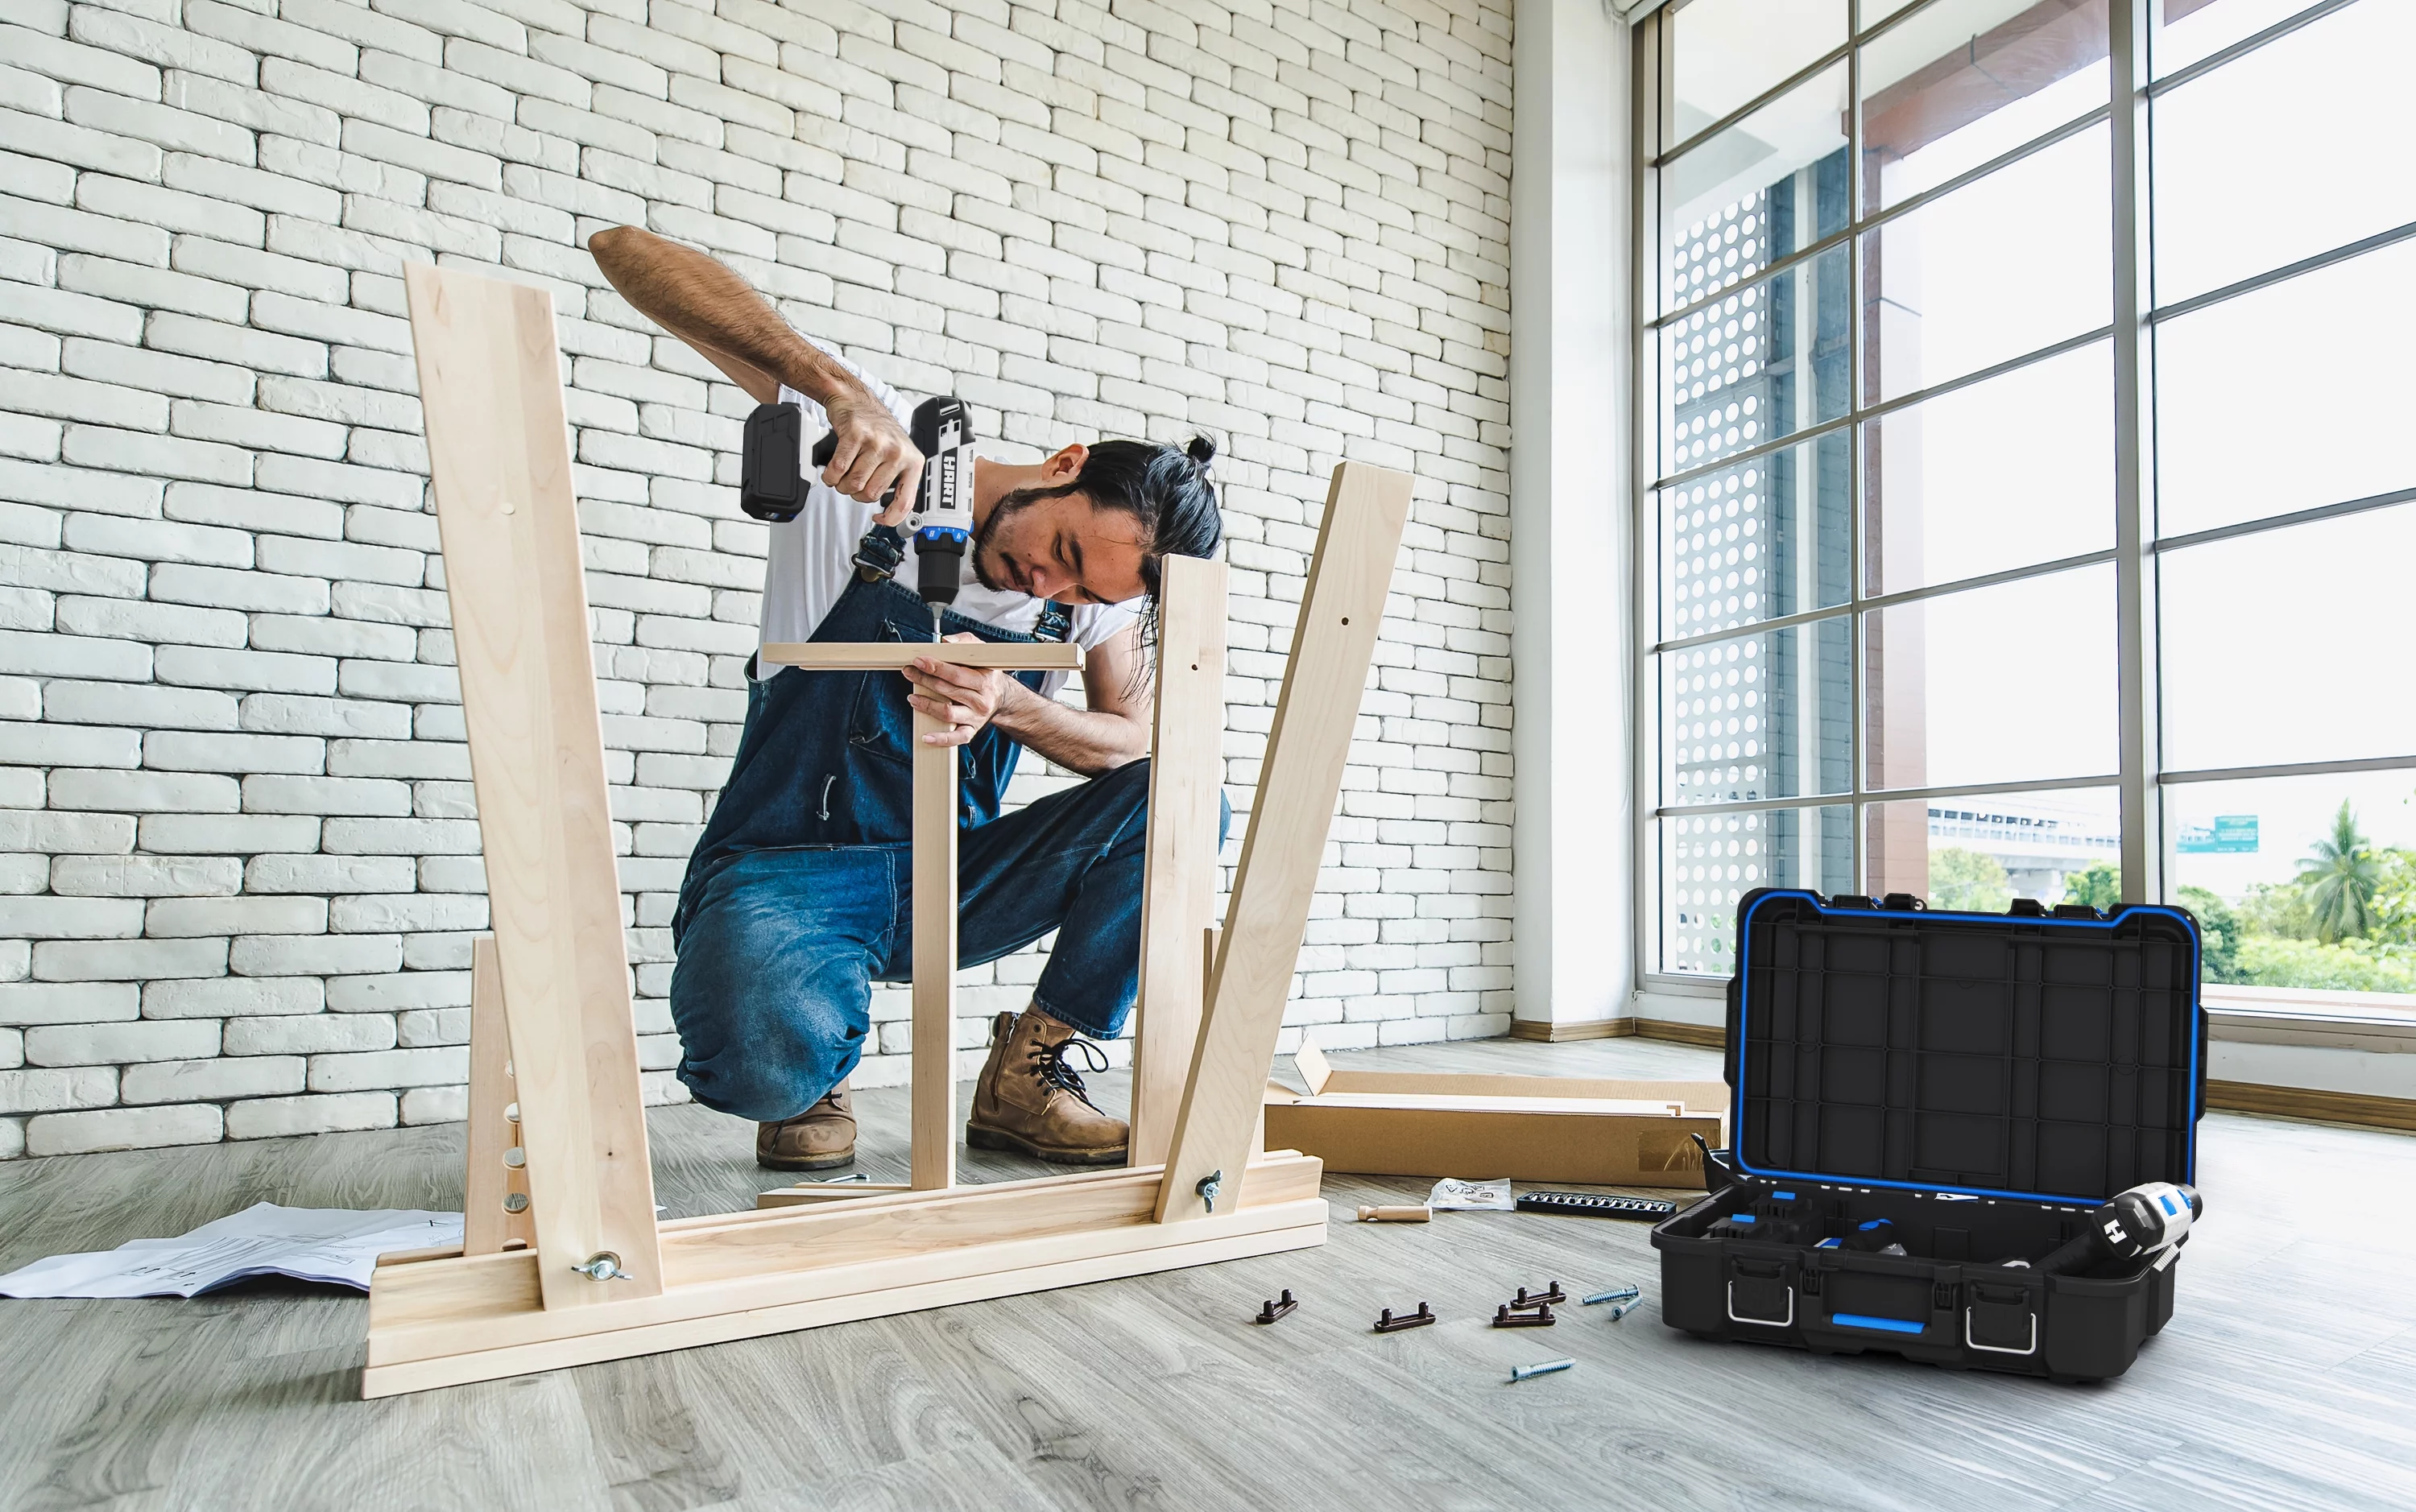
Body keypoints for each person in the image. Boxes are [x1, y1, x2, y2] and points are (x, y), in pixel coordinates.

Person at [585, 226, 1224, 1172]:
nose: (1053, 591)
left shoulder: (1084, 612)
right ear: (1064, 464)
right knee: (756, 1066)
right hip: (791, 871)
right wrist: (833, 390)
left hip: (954, 876)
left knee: (1183, 805)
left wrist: (1014, 703)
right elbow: (626, 252)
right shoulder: (884, 465)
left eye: (1088, 595)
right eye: (1069, 556)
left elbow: (1129, 743)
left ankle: (1031, 1071)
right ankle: (810, 1069)